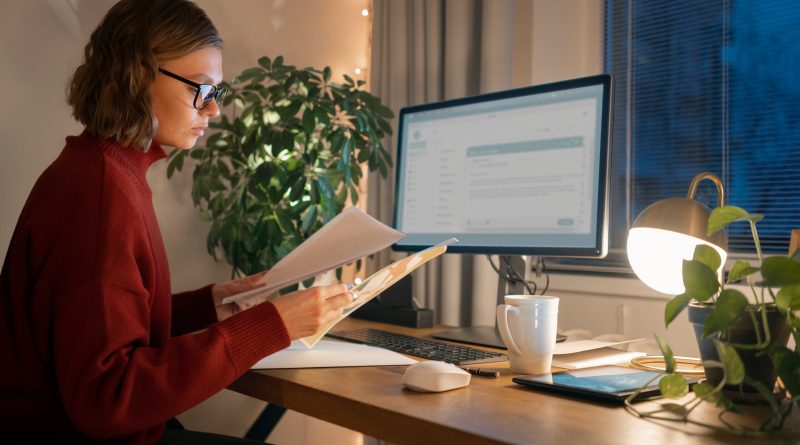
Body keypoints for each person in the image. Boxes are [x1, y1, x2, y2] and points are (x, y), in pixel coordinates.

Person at [0, 0, 353, 443]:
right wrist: (270, 326)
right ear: (136, 75)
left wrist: (208, 306)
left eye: (217, 93)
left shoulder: (101, 170)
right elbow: (107, 398)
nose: (214, 110)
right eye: (201, 89)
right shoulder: (101, 194)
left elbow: (103, 320)